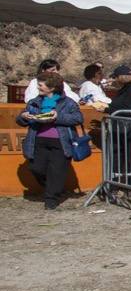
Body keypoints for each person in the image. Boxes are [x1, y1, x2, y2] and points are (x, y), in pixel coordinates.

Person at [17, 71, 84, 209]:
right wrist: (24, 116)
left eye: (41, 85)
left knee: (57, 170)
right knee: (36, 168)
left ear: (52, 87)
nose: (38, 87)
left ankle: (51, 199)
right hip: (38, 140)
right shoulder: (34, 102)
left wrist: (58, 117)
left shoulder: (68, 103)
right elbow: (20, 119)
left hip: (61, 142)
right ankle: (52, 187)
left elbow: (78, 118)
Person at [106, 65, 131, 191]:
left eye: (115, 77)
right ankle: (115, 184)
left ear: (120, 77)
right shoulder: (124, 90)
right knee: (117, 157)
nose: (114, 80)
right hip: (121, 128)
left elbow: (128, 108)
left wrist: (107, 109)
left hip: (130, 129)